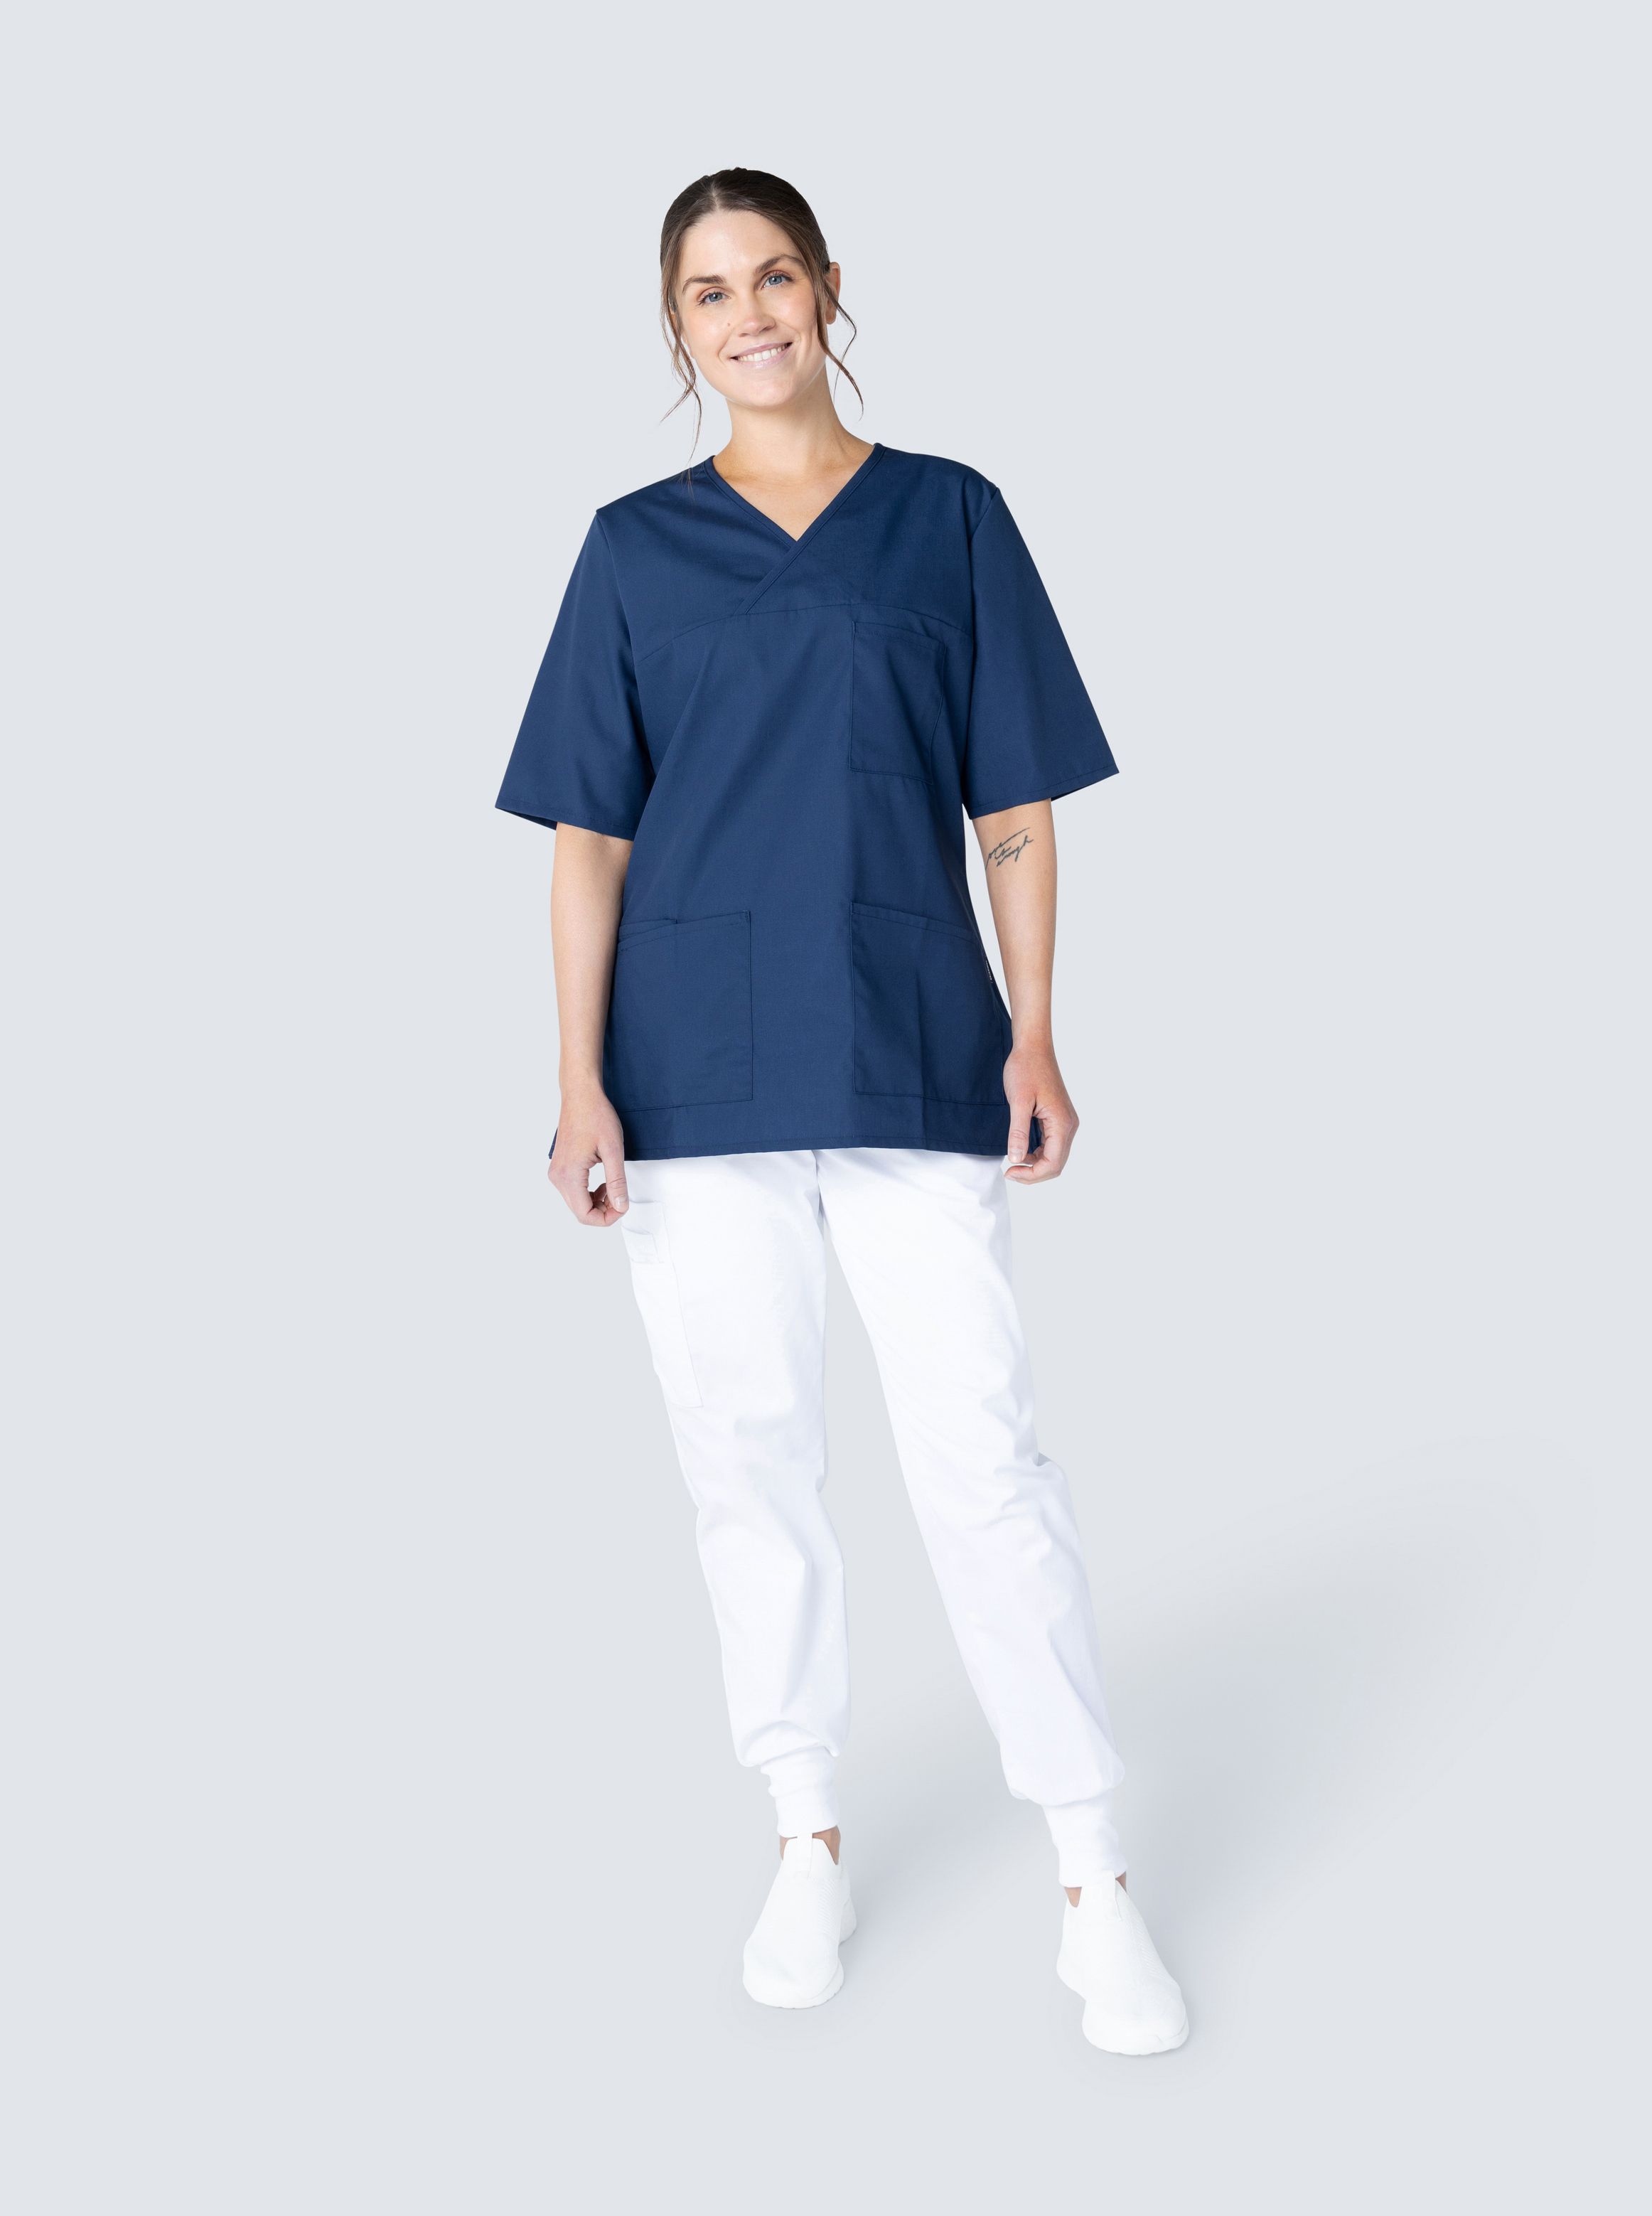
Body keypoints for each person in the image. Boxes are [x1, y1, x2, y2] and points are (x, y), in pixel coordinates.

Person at [495, 168, 1186, 2056]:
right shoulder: (633, 552)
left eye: (774, 275)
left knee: (982, 1455)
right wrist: (575, 1077)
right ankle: (804, 1831)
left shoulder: (947, 518)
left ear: (825, 292)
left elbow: (1015, 807)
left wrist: (1034, 1030)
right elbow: (587, 837)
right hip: (690, 1073)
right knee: (748, 1459)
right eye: (708, 291)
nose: (748, 315)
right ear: (677, 327)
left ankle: (1091, 1870)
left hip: (910, 1042)